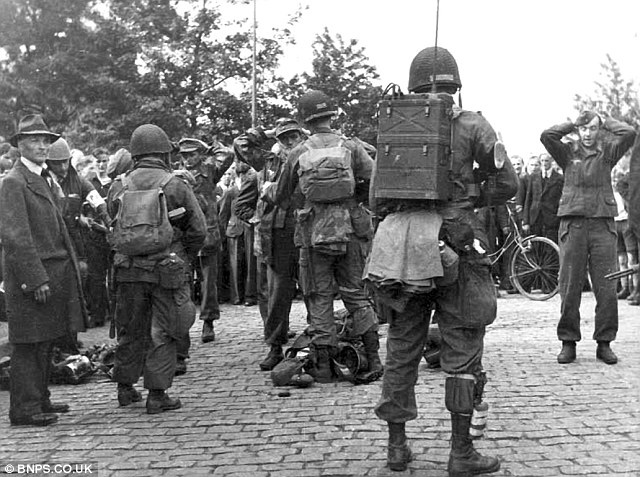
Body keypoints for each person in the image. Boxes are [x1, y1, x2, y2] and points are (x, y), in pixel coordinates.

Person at [370, 47, 511, 476]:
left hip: (402, 246)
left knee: (402, 347)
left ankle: (397, 448)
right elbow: (508, 182)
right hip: (458, 241)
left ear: (414, 83)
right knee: (463, 347)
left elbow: (376, 193)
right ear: (455, 84)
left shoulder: (391, 126)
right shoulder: (472, 123)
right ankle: (461, 452)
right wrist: (470, 197)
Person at [264, 90, 383, 385]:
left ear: (305, 120)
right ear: (332, 115)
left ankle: (323, 366)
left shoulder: (298, 152)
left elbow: (280, 197)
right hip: (351, 230)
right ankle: (374, 358)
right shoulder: (352, 146)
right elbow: (376, 181)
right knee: (356, 295)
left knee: (318, 296)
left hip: (314, 232)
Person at [107, 124, 206, 413]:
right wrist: (181, 255)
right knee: (164, 330)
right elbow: (198, 230)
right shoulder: (175, 185)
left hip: (128, 271)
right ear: (164, 152)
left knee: (130, 328)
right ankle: (157, 393)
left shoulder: (118, 185)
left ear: (135, 153)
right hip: (167, 270)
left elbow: (113, 226)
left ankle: (125, 388)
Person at [0, 114, 87, 426]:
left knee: (45, 339)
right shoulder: (13, 182)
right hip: (34, 276)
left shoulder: (41, 177)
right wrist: (35, 278)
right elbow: (15, 238)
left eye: (45, 140)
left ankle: (40, 398)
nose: (41, 145)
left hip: (52, 272)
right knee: (28, 343)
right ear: (20, 144)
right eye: (34, 140)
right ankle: (24, 409)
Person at [540, 111, 636, 365]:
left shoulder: (608, 152)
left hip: (602, 224)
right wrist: (572, 122)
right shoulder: (567, 153)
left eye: (593, 128)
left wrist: (606, 121)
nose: (588, 134)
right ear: (578, 131)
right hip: (573, 223)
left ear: (599, 129)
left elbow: (629, 133)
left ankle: (604, 342)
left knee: (606, 287)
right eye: (584, 129)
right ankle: (568, 341)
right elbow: (546, 136)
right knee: (570, 285)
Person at [232, 118, 306, 371]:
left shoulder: (314, 152)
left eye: (293, 135)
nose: (288, 141)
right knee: (277, 294)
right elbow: (241, 143)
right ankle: (275, 346)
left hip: (307, 228)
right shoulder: (268, 162)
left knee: (314, 290)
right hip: (277, 232)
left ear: (302, 134)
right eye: (283, 137)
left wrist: (310, 134)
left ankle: (320, 345)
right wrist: (267, 132)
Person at [178, 137, 234, 344]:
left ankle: (208, 321)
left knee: (209, 282)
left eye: (192, 154)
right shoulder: (176, 175)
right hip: (184, 235)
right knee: (182, 282)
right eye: (184, 155)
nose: (188, 159)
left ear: (200, 155)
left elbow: (228, 154)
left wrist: (209, 148)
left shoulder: (210, 170)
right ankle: (182, 326)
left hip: (207, 233)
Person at [522, 152, 563, 242]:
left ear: (551, 161)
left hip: (551, 219)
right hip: (535, 218)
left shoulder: (559, 178)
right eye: (542, 161)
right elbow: (528, 199)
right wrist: (526, 221)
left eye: (546, 161)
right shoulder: (534, 177)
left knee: (551, 247)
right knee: (536, 246)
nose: (544, 163)